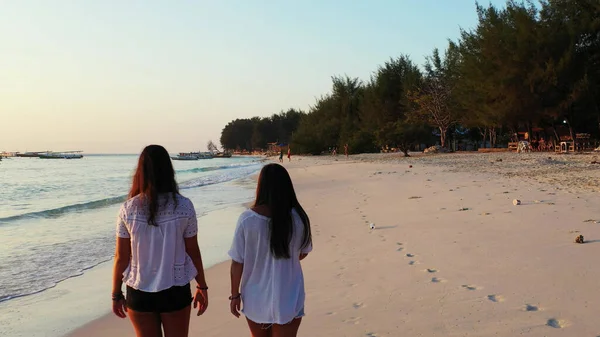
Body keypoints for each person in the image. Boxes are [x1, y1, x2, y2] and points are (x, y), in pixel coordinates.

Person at [111, 145, 209, 337]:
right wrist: (202, 286)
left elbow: (121, 257)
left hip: (139, 290)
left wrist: (116, 293)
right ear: (168, 171)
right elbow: (192, 250)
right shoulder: (184, 206)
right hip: (175, 288)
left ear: (140, 172)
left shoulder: (128, 209)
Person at [228, 163, 312, 337]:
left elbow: (237, 262)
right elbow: (302, 253)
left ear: (261, 187)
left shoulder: (247, 220)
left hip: (255, 297)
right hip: (288, 295)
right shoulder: (299, 218)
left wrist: (234, 295)